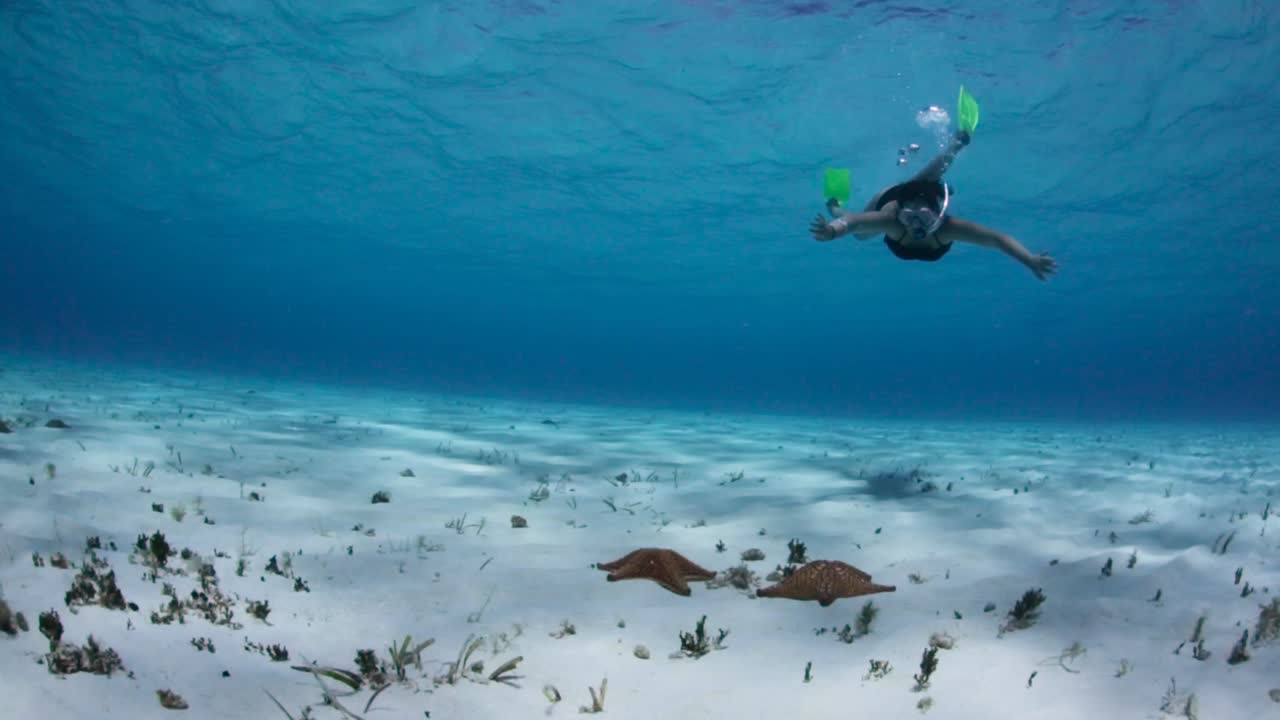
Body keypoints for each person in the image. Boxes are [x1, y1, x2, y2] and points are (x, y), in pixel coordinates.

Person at [808, 130, 1058, 280]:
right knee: (861, 236)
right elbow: (851, 222)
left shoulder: (947, 226)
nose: (916, 224)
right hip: (894, 197)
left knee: (924, 183)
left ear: (939, 215)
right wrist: (832, 230)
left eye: (924, 218)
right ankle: (833, 203)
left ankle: (955, 146)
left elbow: (998, 239)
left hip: (919, 196)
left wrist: (1030, 259)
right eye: (910, 218)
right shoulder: (893, 220)